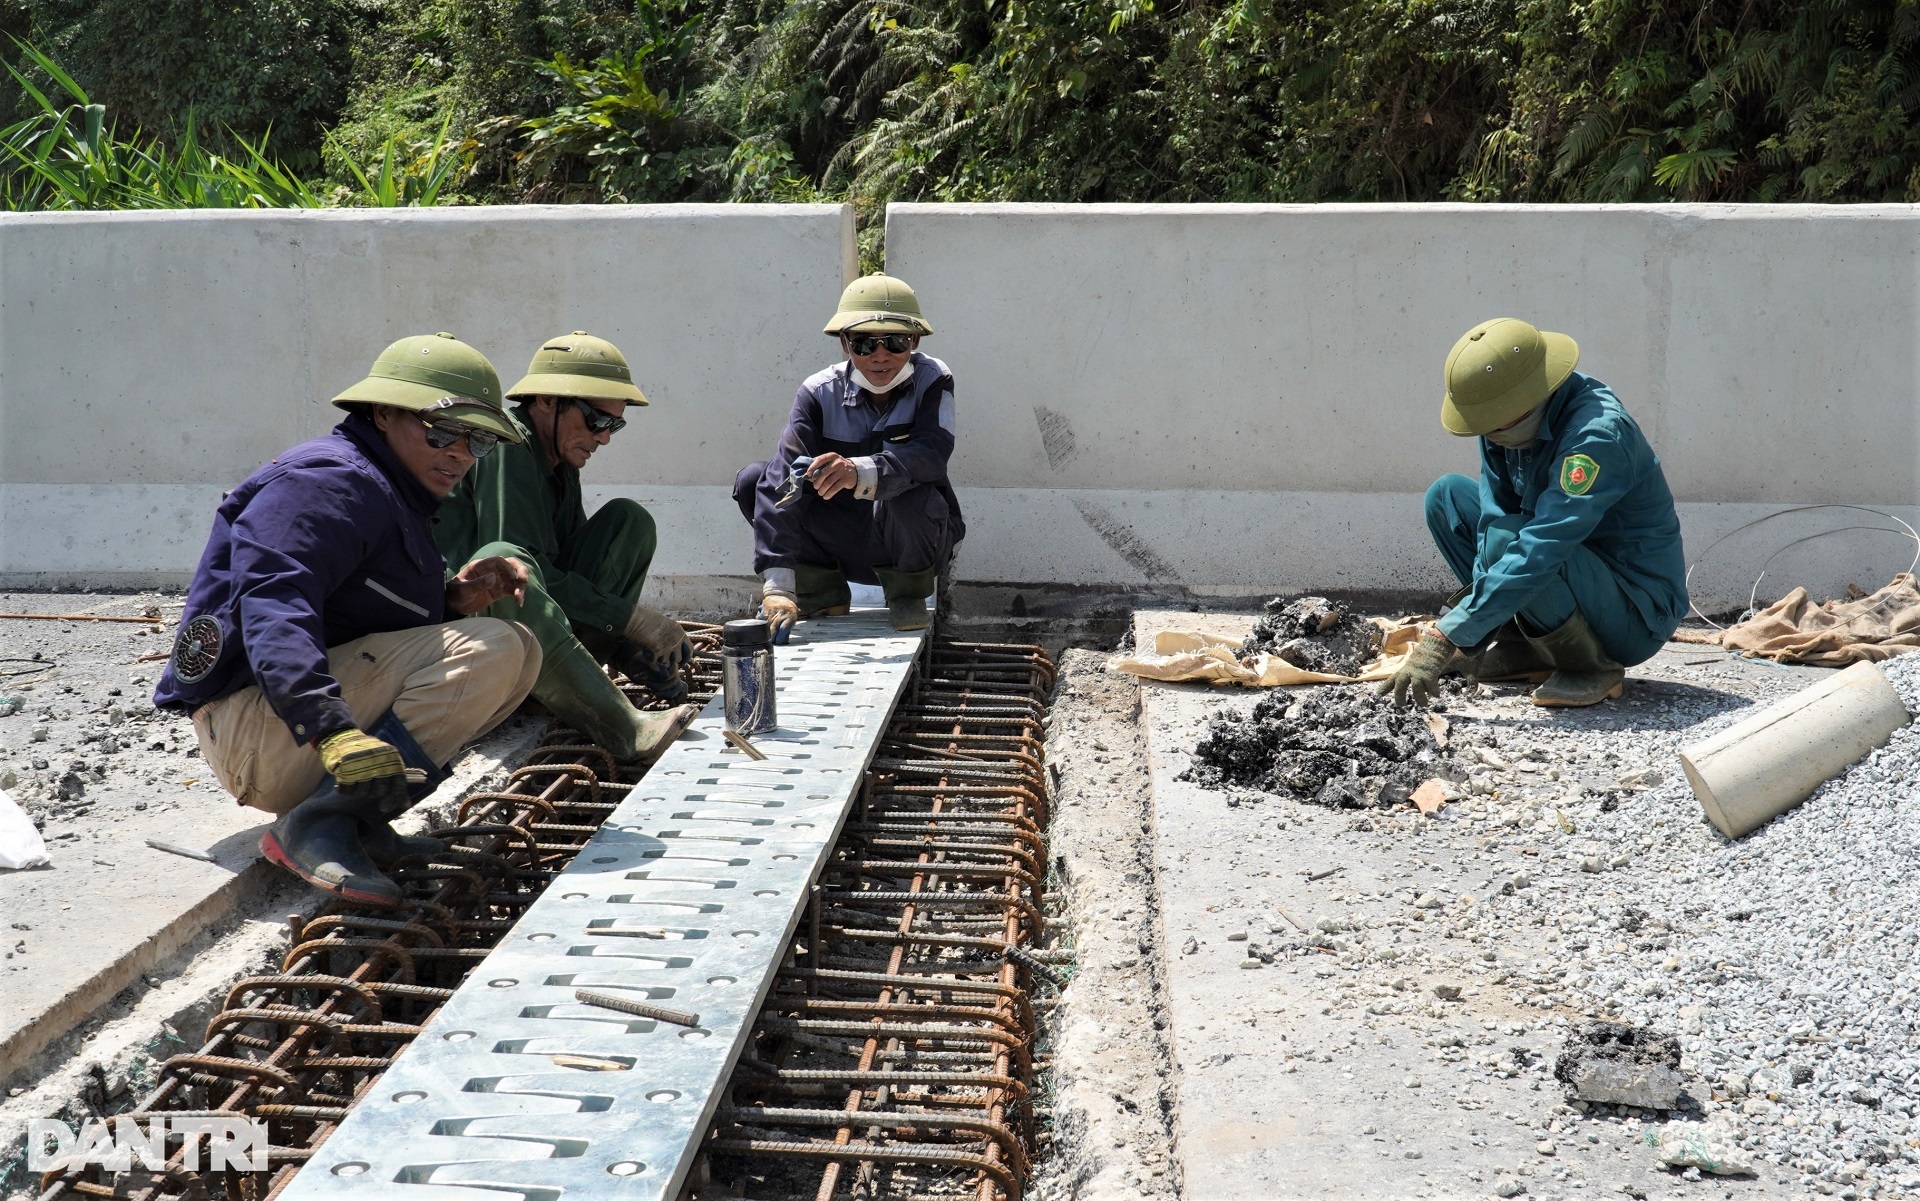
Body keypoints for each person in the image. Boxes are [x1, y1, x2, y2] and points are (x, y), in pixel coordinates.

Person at [154, 333, 544, 907]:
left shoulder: (387, 492)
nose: (460, 453)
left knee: (520, 649)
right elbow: (273, 605)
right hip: (258, 731)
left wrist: (452, 601)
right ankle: (318, 825)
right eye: (442, 431)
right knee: (495, 648)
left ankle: (355, 821)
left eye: (478, 440)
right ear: (383, 413)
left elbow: (358, 621)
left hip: (278, 728)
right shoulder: (327, 482)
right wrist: (329, 728)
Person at [1384, 318, 1688, 709]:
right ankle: (1524, 644)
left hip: (1632, 612)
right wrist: (1476, 625)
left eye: (1495, 422)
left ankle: (1591, 667)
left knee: (1512, 540)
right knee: (1448, 498)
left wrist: (1448, 635)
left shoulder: (1596, 436)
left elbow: (1543, 544)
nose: (1489, 433)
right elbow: (1492, 520)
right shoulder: (1505, 424)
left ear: (1528, 399)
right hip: (1564, 570)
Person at [434, 332, 700, 759]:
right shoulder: (510, 446)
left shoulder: (558, 458)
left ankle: (574, 677)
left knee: (628, 522)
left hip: (526, 628)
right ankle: (624, 728)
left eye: (615, 424)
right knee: (503, 559)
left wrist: (629, 647)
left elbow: (565, 567)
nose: (605, 437)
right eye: (597, 420)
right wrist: (629, 617)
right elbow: (515, 575)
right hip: (468, 631)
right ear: (546, 402)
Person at [734, 274, 963, 634]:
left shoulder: (933, 380)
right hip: (839, 541)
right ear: (845, 343)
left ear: (914, 341)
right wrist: (777, 586)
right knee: (755, 479)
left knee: (913, 490)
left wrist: (861, 470)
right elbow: (784, 479)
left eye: (896, 341)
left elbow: (932, 454)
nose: (881, 356)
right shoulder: (817, 392)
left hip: (906, 544)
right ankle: (821, 592)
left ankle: (907, 596)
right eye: (863, 343)